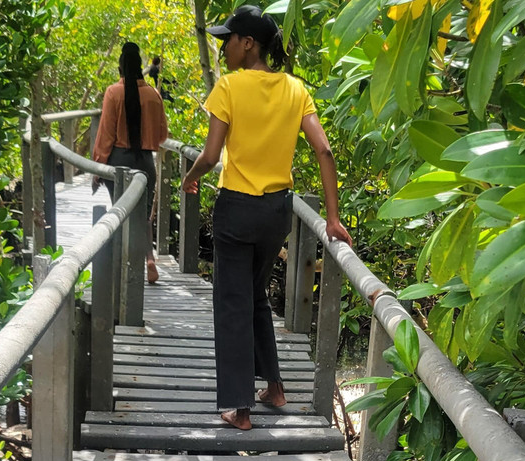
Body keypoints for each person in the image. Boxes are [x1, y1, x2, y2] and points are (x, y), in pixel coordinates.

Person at [181, 5, 352, 431]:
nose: (223, 50)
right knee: (255, 296)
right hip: (277, 211)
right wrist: (332, 217)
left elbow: (212, 154)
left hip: (237, 209)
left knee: (232, 303)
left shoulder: (229, 87)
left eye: (228, 41)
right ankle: (274, 388)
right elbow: (324, 150)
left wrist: (190, 176)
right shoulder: (296, 89)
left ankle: (238, 406)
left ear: (248, 43)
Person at [93, 42, 169, 284]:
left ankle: (123, 268)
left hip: (118, 162)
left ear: (120, 69)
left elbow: (105, 135)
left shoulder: (113, 93)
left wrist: (97, 168)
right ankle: (149, 258)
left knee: (120, 214)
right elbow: (163, 135)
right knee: (142, 217)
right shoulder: (154, 95)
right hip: (145, 162)